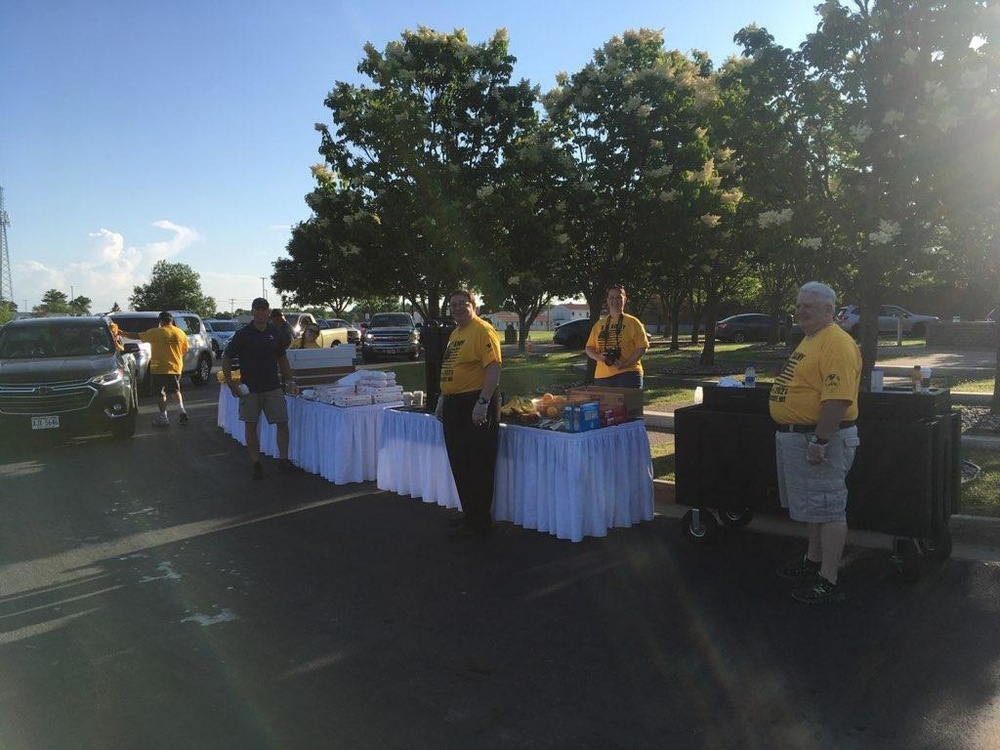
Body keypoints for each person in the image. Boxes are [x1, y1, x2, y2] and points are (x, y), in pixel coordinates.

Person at [770, 281, 861, 604]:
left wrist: (820, 441)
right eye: (798, 304)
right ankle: (814, 561)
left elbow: (837, 399)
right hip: (800, 436)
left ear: (829, 310)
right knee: (815, 506)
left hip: (821, 439)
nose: (800, 310)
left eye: (809, 305)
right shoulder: (812, 338)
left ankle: (829, 579)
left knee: (829, 507)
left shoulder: (836, 342)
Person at [434, 289, 502, 537]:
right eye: (453, 304)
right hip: (453, 404)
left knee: (478, 465)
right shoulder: (455, 334)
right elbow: (451, 370)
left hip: (475, 402)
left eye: (463, 303)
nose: (458, 308)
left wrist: (482, 402)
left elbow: (493, 367)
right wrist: (443, 399)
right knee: (460, 463)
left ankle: (481, 522)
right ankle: (470, 516)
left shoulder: (482, 330)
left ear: (474, 305)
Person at [222, 297, 301, 480]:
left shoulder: (275, 333)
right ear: (253, 313)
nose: (261, 313)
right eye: (257, 310)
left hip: (273, 387)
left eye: (264, 310)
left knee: (282, 423)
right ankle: (256, 464)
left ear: (268, 312)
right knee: (251, 427)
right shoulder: (243, 335)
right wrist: (230, 381)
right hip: (250, 389)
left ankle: (283, 461)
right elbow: (227, 357)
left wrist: (290, 380)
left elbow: (282, 358)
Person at [117, 311, 189, 427]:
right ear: (171, 320)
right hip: (175, 366)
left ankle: (163, 417)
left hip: (159, 367)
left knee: (160, 392)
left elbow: (137, 336)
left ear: (160, 321)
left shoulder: (156, 332)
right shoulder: (180, 333)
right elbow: (185, 350)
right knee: (176, 390)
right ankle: (182, 410)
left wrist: (121, 333)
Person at [585, 284, 649, 388]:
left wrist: (626, 364)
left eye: (619, 297)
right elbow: (588, 348)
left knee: (629, 404)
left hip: (628, 374)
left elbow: (642, 348)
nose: (615, 300)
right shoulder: (599, 324)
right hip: (602, 376)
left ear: (625, 299)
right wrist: (599, 357)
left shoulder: (633, 322)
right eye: (611, 297)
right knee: (606, 405)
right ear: (607, 300)